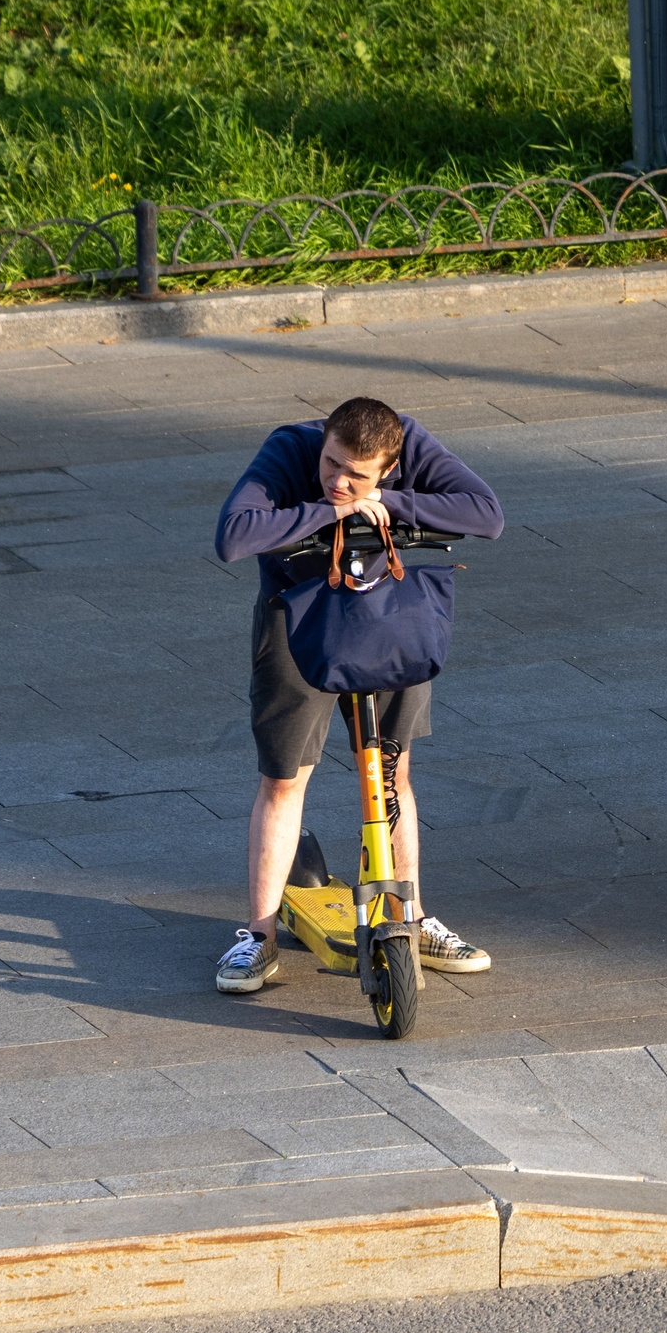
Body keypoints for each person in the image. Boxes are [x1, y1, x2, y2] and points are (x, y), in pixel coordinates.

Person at [210, 396, 506, 995]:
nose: (339, 480)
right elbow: (234, 536)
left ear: (389, 466)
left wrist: (387, 507)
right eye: (332, 463)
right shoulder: (290, 446)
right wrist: (328, 511)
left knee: (392, 771)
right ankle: (258, 936)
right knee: (284, 777)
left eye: (357, 474)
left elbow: (486, 514)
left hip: (387, 617)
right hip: (299, 620)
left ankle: (412, 917)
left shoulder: (411, 444)